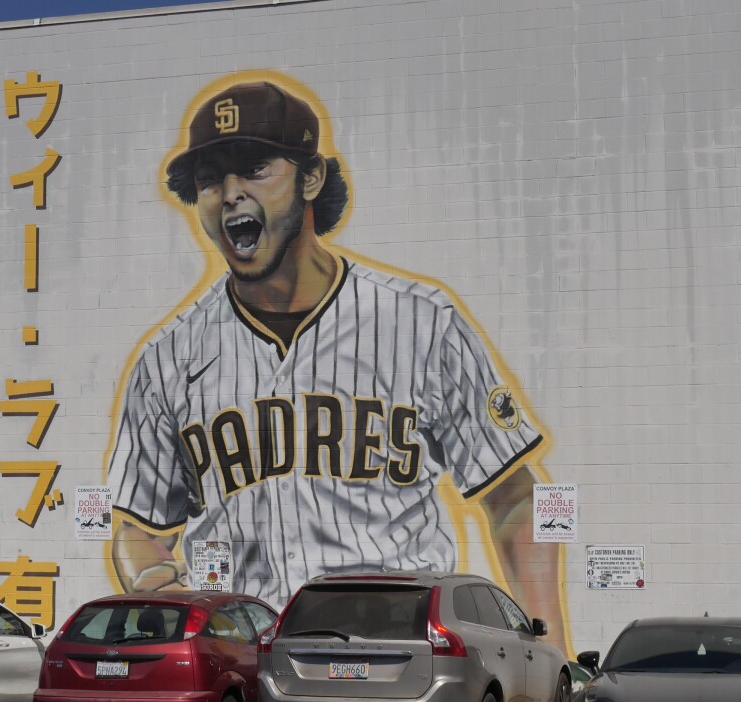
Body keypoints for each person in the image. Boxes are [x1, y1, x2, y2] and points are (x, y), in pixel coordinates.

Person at [105, 76, 564, 643]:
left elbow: (515, 500)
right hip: (251, 666)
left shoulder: (422, 321)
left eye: (254, 169)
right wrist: (159, 582)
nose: (228, 195)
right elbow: (139, 526)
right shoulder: (166, 360)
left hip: (398, 654)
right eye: (208, 181)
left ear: (312, 177)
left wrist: (554, 655)